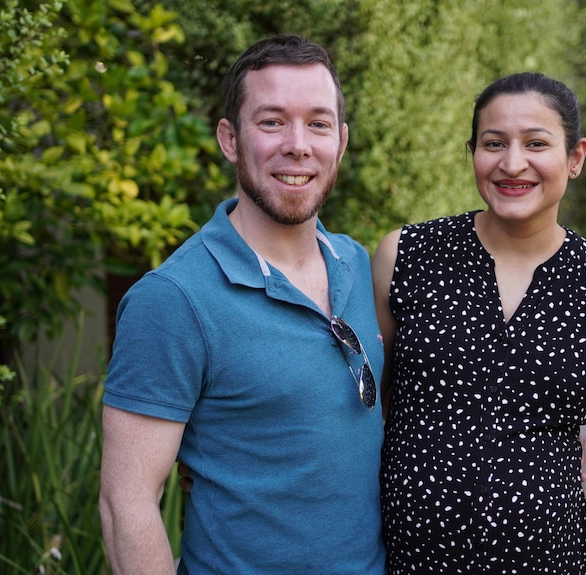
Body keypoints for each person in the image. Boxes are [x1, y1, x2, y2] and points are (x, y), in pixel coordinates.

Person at [98, 35, 386, 574]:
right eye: (272, 121)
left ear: (341, 142)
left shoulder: (356, 263)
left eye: (318, 124)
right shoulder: (174, 299)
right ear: (230, 139)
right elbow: (126, 503)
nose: (298, 144)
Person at [371, 72, 586, 574]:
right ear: (473, 152)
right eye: (493, 143)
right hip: (405, 561)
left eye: (536, 143)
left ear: (576, 157)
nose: (511, 163)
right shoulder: (405, 257)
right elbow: (366, 410)